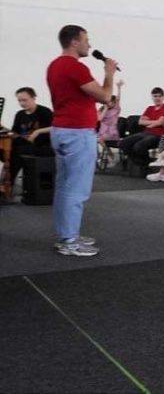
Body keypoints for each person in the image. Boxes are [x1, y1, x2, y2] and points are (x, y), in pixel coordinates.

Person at [46, 24, 117, 256]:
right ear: (74, 42)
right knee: (76, 190)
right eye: (86, 39)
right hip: (77, 134)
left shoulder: (55, 66)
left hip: (62, 130)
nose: (90, 44)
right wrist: (109, 72)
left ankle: (67, 235)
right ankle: (69, 241)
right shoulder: (75, 67)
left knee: (65, 187)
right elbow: (106, 96)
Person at [6, 87, 54, 187]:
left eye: (24, 100)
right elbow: (15, 132)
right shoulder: (19, 114)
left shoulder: (44, 112)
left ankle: (8, 185)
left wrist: (38, 131)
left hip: (42, 146)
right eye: (19, 101)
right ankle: (5, 184)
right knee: (7, 150)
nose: (22, 103)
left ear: (33, 98)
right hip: (24, 144)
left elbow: (55, 127)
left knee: (15, 153)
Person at [119, 87, 164, 167]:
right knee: (123, 143)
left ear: (163, 97)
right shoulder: (150, 109)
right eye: (155, 96)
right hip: (146, 133)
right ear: (152, 97)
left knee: (139, 146)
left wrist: (151, 123)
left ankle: (145, 164)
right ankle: (143, 163)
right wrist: (155, 123)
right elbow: (140, 122)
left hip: (159, 136)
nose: (157, 98)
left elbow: (160, 122)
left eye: (159, 96)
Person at [95, 80, 123, 163]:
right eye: (110, 101)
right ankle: (101, 156)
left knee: (100, 140)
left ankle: (110, 154)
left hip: (111, 132)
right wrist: (105, 108)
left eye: (112, 102)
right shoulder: (101, 110)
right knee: (94, 139)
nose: (111, 103)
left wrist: (119, 88)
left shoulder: (116, 109)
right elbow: (99, 119)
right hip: (102, 131)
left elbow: (118, 99)